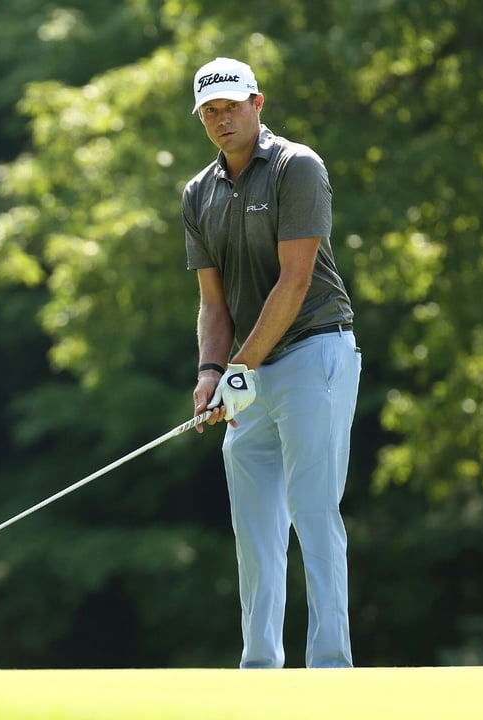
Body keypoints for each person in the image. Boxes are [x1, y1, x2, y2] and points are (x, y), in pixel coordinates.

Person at [182, 57, 361, 669]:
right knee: (255, 528)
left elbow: (295, 279)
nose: (220, 118)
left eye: (230, 106)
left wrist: (239, 369)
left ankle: (330, 668)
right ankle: (260, 670)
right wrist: (211, 374)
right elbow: (213, 302)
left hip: (315, 350)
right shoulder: (199, 192)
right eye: (209, 110)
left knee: (314, 511)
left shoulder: (296, 167)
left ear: (258, 103)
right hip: (249, 373)